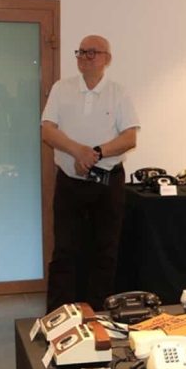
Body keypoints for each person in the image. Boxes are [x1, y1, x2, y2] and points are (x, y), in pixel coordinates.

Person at [41, 35, 140, 313]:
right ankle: (59, 314)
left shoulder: (118, 92)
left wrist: (94, 153)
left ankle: (99, 314)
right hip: (69, 183)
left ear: (107, 59)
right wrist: (78, 152)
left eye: (92, 52)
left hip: (107, 183)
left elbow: (130, 138)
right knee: (64, 250)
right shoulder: (62, 88)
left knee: (105, 250)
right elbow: (47, 130)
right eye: (81, 52)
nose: (85, 57)